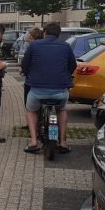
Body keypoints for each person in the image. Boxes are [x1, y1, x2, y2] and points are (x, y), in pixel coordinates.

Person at [21, 22, 77, 154]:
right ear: (59, 34)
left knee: (31, 111)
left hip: (37, 90)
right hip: (60, 91)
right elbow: (73, 65)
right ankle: (63, 142)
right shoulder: (66, 46)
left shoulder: (34, 45)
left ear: (44, 32)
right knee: (62, 110)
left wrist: (29, 74)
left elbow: (25, 65)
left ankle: (33, 142)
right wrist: (64, 75)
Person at [20, 27, 44, 105]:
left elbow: (25, 64)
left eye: (29, 39)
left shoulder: (32, 47)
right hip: (55, 84)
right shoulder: (49, 47)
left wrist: (24, 71)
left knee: (29, 105)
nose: (27, 40)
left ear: (34, 39)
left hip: (34, 82)